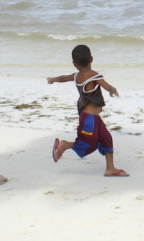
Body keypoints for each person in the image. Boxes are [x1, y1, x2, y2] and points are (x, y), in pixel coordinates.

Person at [47, 44, 129, 177]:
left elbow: (63, 78)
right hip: (89, 120)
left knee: (106, 138)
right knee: (88, 144)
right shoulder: (93, 75)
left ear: (74, 64)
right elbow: (105, 85)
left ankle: (110, 168)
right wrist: (112, 90)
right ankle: (64, 145)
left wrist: (53, 80)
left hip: (92, 118)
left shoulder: (76, 76)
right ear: (91, 59)